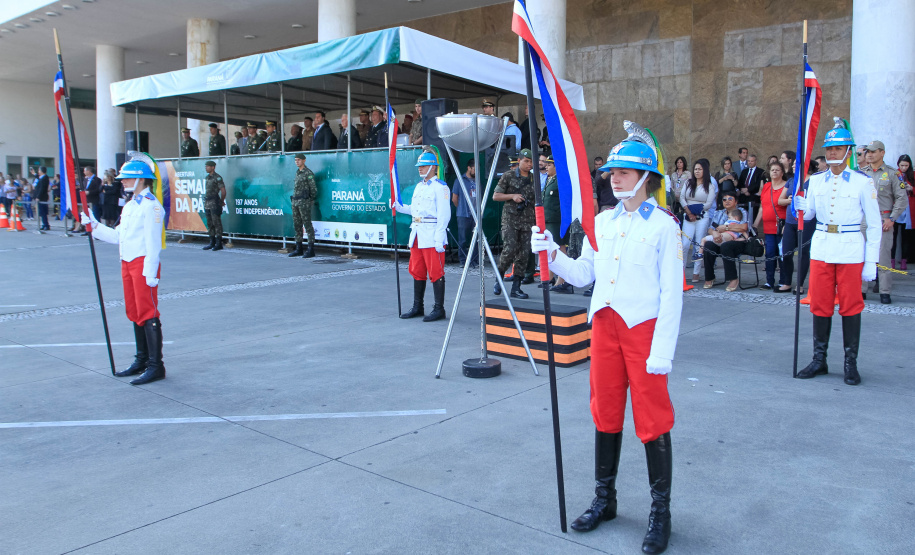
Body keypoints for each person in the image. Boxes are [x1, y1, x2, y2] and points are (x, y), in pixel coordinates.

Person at [531, 121, 681, 555]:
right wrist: (552, 253)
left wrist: (663, 352)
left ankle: (660, 512)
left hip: (644, 331)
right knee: (605, 412)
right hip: (605, 328)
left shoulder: (664, 226)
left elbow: (672, 294)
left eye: (623, 173)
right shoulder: (602, 222)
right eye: (611, 172)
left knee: (652, 419)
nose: (613, 177)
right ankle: (605, 499)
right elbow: (583, 275)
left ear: (646, 179)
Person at [794, 118, 881, 386]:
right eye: (829, 148)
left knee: (851, 307)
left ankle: (850, 362)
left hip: (850, 249)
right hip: (822, 248)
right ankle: (819, 360)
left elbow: (875, 224)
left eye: (838, 148)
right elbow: (810, 215)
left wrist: (871, 262)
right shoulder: (816, 181)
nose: (832, 153)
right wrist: (801, 205)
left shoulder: (862, 182)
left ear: (848, 150)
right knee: (820, 305)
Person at [80, 155, 167, 385]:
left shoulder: (151, 207)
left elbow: (153, 242)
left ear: (141, 180)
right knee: (134, 310)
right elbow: (119, 235)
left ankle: (156, 365)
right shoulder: (130, 205)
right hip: (127, 262)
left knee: (148, 312)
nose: (123, 181)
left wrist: (150, 272)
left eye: (127, 178)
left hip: (142, 263)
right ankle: (141, 359)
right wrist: (94, 225)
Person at [394, 150, 451, 322]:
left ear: (433, 167)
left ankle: (438, 308)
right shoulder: (419, 186)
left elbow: (444, 214)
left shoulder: (441, 187)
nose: (420, 169)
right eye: (419, 166)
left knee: (436, 272)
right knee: (417, 271)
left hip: (432, 234)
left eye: (424, 166)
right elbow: (415, 210)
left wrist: (439, 238)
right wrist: (399, 207)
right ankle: (418, 306)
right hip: (418, 233)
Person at [860, 140, 906, 304]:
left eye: (873, 151)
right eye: (868, 152)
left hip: (883, 219)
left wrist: (892, 219)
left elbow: (902, 198)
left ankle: (884, 291)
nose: (869, 155)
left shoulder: (894, 174)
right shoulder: (861, 172)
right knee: (861, 255)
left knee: (883, 257)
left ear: (882, 153)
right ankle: (861, 290)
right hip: (864, 220)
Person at [492, 148, 536, 299]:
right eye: (526, 161)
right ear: (519, 161)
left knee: (524, 254)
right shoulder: (508, 176)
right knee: (509, 249)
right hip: (510, 220)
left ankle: (516, 287)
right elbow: (496, 196)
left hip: (528, 221)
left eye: (531, 162)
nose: (529, 164)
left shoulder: (533, 179)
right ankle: (499, 278)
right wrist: (513, 196)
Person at [779, 159, 818, 294]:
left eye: (797, 164)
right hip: (790, 221)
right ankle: (787, 282)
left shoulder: (813, 181)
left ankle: (800, 285)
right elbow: (780, 200)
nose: (794, 166)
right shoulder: (791, 181)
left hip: (807, 222)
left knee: (803, 253)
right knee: (786, 252)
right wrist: (789, 200)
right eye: (793, 164)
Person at [702, 192, 750, 291]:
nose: (727, 201)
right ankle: (709, 277)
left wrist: (726, 227)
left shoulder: (741, 212)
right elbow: (711, 229)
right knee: (708, 245)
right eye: (724, 199)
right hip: (720, 239)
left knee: (726, 246)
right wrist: (714, 233)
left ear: (736, 201)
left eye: (730, 199)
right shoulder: (718, 213)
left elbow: (744, 227)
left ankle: (733, 278)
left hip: (738, 241)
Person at [679, 158, 717, 282]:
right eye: (695, 169)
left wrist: (696, 210)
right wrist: (689, 211)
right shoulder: (688, 183)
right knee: (685, 244)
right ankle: (681, 272)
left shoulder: (709, 186)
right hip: (688, 215)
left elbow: (709, 203)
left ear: (704, 171)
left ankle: (696, 272)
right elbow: (682, 197)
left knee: (699, 245)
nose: (697, 171)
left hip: (702, 216)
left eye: (700, 169)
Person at [754, 161, 790, 290]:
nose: (774, 172)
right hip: (768, 227)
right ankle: (769, 281)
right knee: (769, 253)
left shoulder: (786, 186)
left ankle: (783, 281)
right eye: (772, 170)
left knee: (782, 254)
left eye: (777, 170)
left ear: (782, 172)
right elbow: (762, 207)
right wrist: (755, 224)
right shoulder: (767, 186)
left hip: (782, 226)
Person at [541, 156, 573, 293]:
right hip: (549, 219)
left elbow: (566, 200)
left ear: (556, 166)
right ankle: (550, 278)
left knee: (560, 249)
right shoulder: (551, 180)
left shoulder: (561, 180)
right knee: (551, 249)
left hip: (557, 220)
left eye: (549, 165)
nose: (546, 167)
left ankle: (563, 279)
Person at [288, 153, 317, 258]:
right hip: (295, 201)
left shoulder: (308, 173)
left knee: (307, 224)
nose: (297, 161)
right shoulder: (297, 173)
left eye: (299, 160)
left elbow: (313, 189)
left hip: (304, 202)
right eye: (295, 160)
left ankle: (310, 249)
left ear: (304, 160)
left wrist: (310, 200)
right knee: (297, 225)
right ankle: (299, 248)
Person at [451, 159, 478, 268]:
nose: (476, 172)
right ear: (469, 168)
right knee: (462, 239)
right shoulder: (459, 180)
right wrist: (461, 208)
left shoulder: (477, 180)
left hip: (475, 214)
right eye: (475, 169)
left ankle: (474, 260)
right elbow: (454, 198)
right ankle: (463, 260)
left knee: (475, 238)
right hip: (463, 214)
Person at [893, 154, 914, 270]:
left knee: (906, 237)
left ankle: (904, 261)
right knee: (894, 235)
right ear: (898, 165)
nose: (904, 168)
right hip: (896, 208)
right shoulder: (895, 174)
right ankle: (891, 260)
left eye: (906, 165)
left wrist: (912, 189)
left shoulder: (913, 175)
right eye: (902, 165)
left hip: (908, 210)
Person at [201, 161, 226, 251]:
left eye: (207, 166)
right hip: (207, 201)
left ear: (213, 167)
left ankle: (219, 243)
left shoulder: (217, 177)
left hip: (215, 201)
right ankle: (212, 242)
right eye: (206, 166)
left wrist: (221, 201)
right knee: (209, 223)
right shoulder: (207, 177)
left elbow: (223, 191)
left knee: (216, 223)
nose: (206, 168)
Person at [83, 166, 102, 232]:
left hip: (94, 200)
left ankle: (97, 230)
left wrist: (89, 192)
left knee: (95, 215)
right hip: (86, 200)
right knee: (87, 215)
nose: (84, 172)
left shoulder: (97, 179)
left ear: (89, 171)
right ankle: (88, 230)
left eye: (85, 171)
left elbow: (98, 190)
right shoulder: (85, 179)